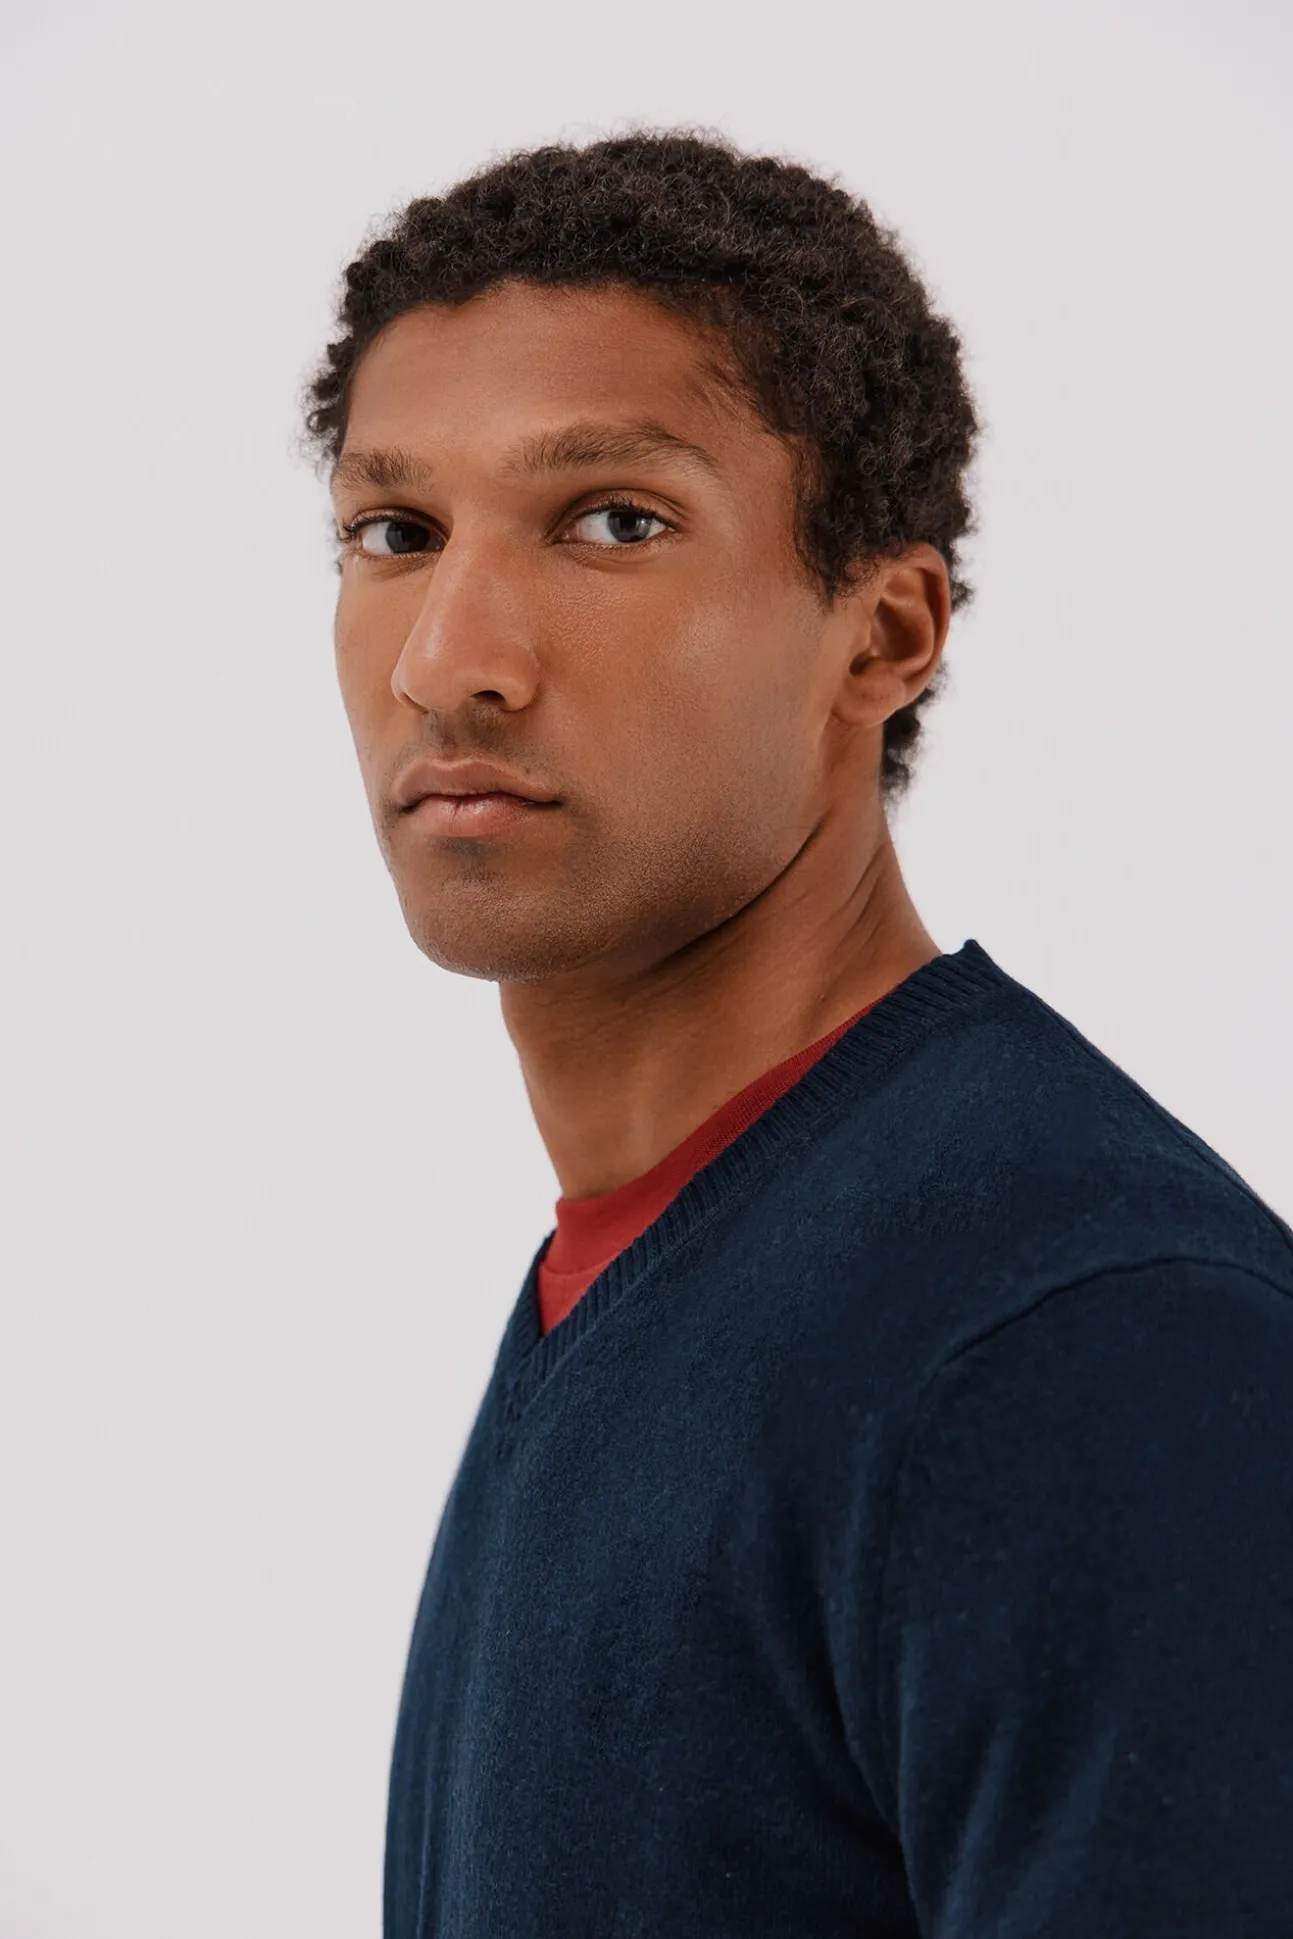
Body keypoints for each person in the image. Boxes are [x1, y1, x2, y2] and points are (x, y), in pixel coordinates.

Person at [300, 131, 1293, 1938]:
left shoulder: (1074, 1341)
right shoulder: (641, 1276)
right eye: (397, 532)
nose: (448, 657)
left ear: (884, 631)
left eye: (614, 520)